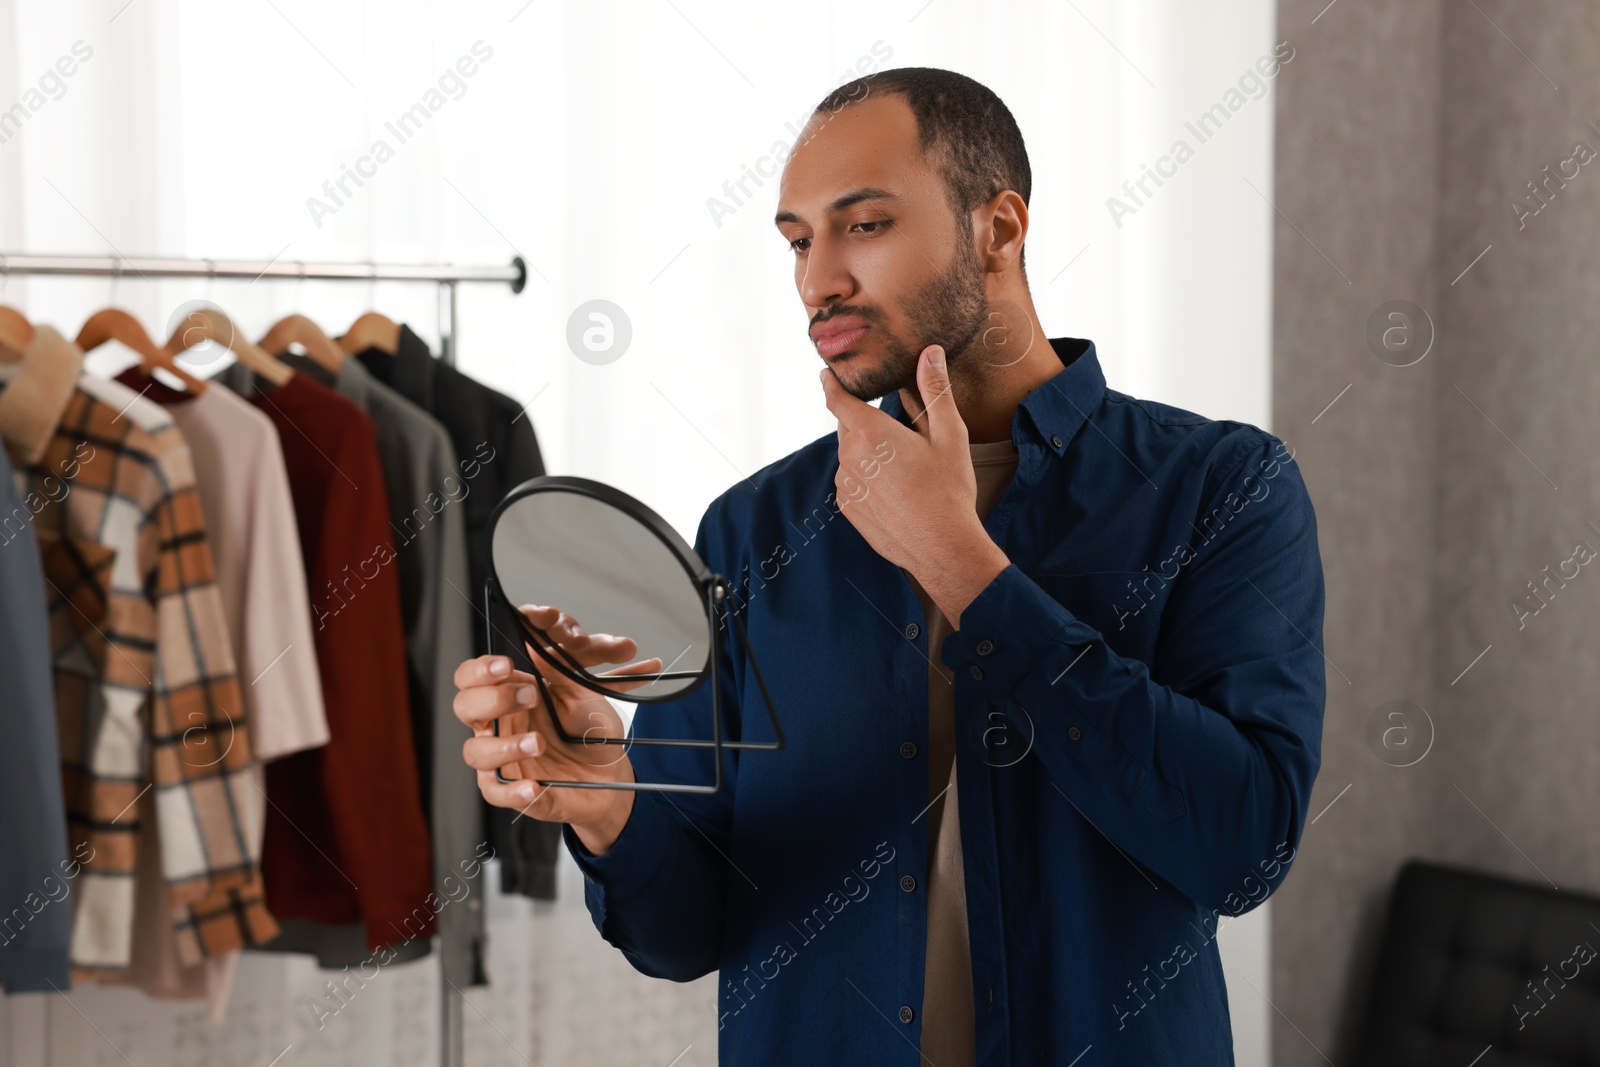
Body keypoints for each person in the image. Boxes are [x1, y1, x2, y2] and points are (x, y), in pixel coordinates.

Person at [452, 67, 1325, 1066]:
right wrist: (606, 796)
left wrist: (963, 565)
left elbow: (1244, 848)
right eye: (795, 239)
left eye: (862, 225)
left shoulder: (1222, 488)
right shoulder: (751, 527)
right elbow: (685, 932)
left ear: (997, 229)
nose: (816, 278)